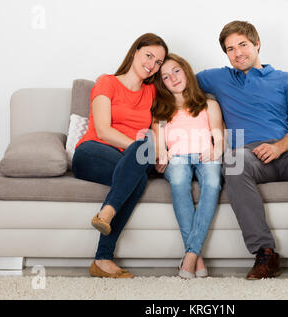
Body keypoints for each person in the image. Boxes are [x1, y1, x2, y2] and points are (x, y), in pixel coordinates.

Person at [196, 21, 288, 281]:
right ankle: (265, 254)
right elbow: (177, 80)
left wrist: (278, 147)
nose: (238, 52)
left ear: (257, 44)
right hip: (250, 155)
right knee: (233, 162)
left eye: (243, 44)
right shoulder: (218, 78)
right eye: (230, 49)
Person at [72, 33, 168, 279]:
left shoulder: (153, 93)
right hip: (94, 152)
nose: (152, 64)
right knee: (138, 161)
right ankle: (102, 257)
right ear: (135, 51)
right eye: (149, 56)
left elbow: (157, 130)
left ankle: (103, 247)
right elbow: (103, 129)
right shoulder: (106, 82)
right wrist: (139, 149)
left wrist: (160, 151)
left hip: (136, 160)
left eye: (158, 62)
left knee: (139, 166)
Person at [151, 53, 224, 279]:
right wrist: (161, 155)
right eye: (165, 77)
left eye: (176, 71)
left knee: (213, 184)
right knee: (180, 182)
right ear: (161, 84)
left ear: (186, 70)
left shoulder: (208, 104)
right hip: (177, 158)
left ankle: (190, 255)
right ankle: (197, 257)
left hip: (205, 154)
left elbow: (219, 135)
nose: (172, 78)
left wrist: (218, 148)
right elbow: (158, 143)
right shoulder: (161, 109)